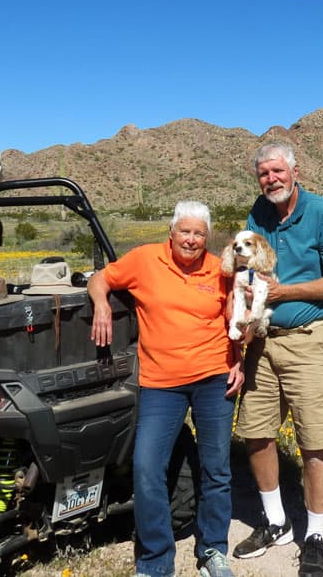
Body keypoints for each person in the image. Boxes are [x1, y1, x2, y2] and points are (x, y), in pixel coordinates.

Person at [88, 200, 243, 577]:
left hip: (214, 377)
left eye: (199, 234)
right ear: (171, 233)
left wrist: (240, 359)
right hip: (161, 383)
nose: (191, 240)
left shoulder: (222, 269)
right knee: (146, 466)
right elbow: (100, 278)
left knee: (216, 468)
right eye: (185, 232)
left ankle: (212, 550)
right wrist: (102, 307)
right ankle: (156, 560)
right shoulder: (144, 260)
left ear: (208, 238)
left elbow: (237, 314)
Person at [233, 141, 323, 577]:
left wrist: (288, 292)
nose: (271, 179)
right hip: (264, 339)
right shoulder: (259, 212)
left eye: (277, 171)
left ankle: (316, 534)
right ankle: (276, 522)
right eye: (263, 173)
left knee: (315, 438)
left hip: (310, 339)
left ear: (294, 171)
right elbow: (251, 267)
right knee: (256, 431)